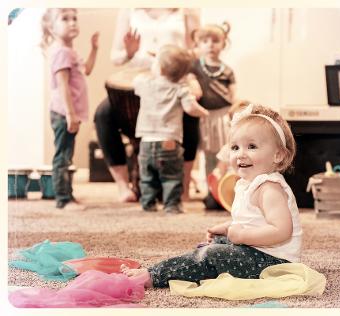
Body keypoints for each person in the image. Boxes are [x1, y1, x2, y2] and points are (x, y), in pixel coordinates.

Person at [120, 103, 302, 288]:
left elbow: (281, 231)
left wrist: (242, 236)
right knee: (218, 242)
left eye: (252, 146)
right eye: (235, 147)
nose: (241, 154)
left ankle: (154, 275)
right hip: (260, 253)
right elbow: (254, 220)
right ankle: (193, 264)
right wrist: (228, 227)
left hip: (274, 264)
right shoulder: (248, 184)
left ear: (278, 155)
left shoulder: (270, 188)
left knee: (213, 255)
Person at [94, 8, 200, 203]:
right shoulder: (129, 10)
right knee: (103, 114)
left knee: (191, 113)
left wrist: (175, 57)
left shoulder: (187, 11)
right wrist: (129, 53)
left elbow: (197, 52)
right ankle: (123, 186)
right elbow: (116, 57)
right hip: (139, 78)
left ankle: (183, 186)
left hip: (174, 77)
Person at [133, 45, 209, 214]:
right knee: (172, 177)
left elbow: (136, 79)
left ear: (158, 67)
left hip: (146, 141)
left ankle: (148, 203)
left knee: (147, 177)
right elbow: (191, 108)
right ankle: (172, 206)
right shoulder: (181, 88)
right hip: (169, 141)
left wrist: (155, 66)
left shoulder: (144, 83)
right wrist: (203, 112)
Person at [41, 8, 99, 210]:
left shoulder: (70, 52)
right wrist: (70, 114)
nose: (72, 22)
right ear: (51, 27)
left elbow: (88, 70)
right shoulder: (62, 53)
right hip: (64, 113)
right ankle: (63, 200)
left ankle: (68, 195)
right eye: (65, 19)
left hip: (68, 113)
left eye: (74, 18)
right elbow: (63, 85)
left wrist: (94, 49)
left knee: (66, 155)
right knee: (62, 157)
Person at [182, 22, 237, 202]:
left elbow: (233, 95)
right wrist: (192, 82)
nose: (210, 45)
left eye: (215, 41)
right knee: (205, 152)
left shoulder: (227, 71)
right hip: (202, 115)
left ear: (224, 44)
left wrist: (234, 111)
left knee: (221, 152)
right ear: (198, 44)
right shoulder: (195, 67)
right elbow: (189, 78)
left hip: (222, 115)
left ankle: (220, 188)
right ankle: (208, 187)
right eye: (204, 41)